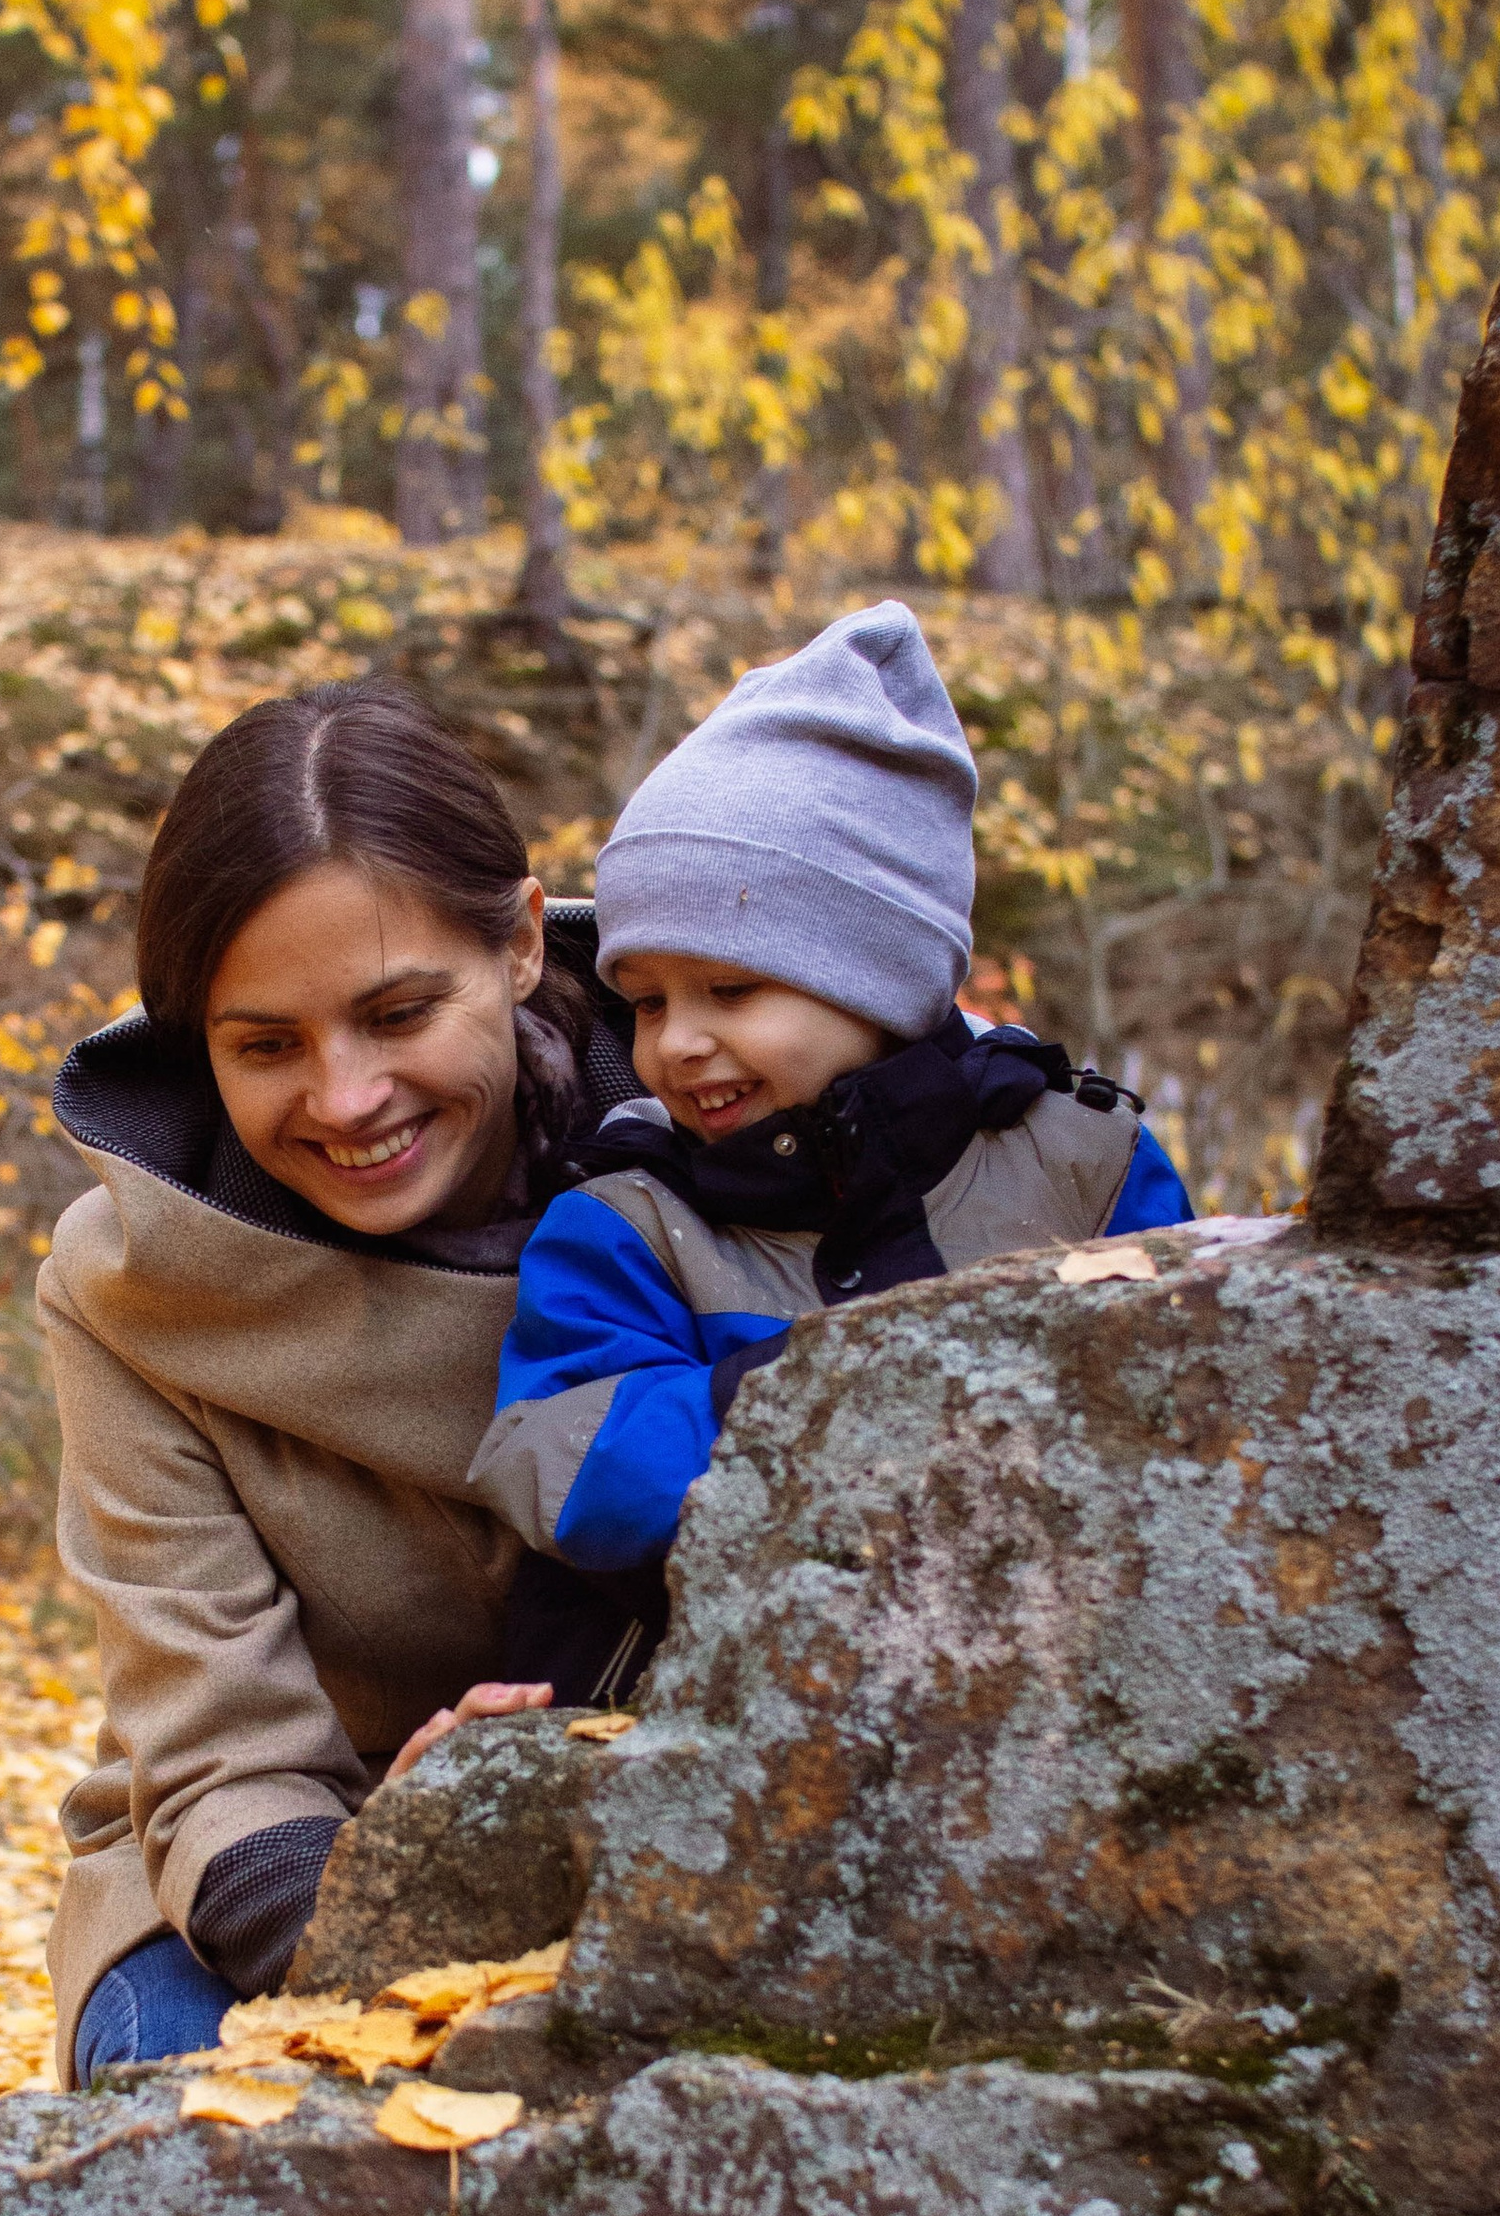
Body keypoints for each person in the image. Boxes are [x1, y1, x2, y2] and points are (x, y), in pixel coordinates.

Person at [38, 679, 640, 2081]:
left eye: (398, 1012)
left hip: (679, 1846)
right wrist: (393, 1890)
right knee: (202, 2189)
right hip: (258, 1881)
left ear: (519, 941)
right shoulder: (133, 1289)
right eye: (266, 1046)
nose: (345, 1097)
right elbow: (215, 1751)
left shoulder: (736, 1146)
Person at [470, 603, 1192, 1691]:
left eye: (731, 989)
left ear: (882, 978)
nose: (679, 1043)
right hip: (720, 1698)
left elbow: (1179, 1403)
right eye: (649, 1002)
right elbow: (555, 1455)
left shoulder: (1079, 1157)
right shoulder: (629, 1213)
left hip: (1055, 1682)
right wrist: (829, 1398)